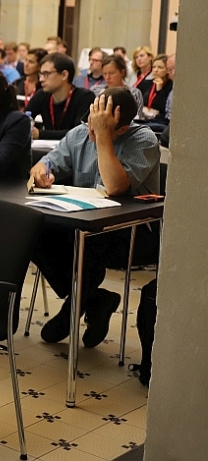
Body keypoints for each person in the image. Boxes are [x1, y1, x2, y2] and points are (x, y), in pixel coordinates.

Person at [30, 88, 160, 348]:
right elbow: (44, 163)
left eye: (100, 127)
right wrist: (41, 172)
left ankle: (72, 309)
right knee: (34, 232)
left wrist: (102, 137)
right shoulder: (80, 132)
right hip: (85, 220)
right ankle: (96, 300)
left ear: (122, 129)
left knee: (88, 245)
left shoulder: (144, 139)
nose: (90, 131)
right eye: (90, 122)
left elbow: (114, 186)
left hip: (133, 232)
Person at [25, 52, 96, 140]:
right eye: (41, 74)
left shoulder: (85, 97)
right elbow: (23, 120)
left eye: (46, 74)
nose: (41, 79)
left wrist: (40, 134)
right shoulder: (41, 95)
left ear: (64, 75)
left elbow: (80, 133)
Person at [139, 54, 173, 126]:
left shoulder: (170, 85)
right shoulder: (146, 83)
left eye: (160, 67)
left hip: (160, 121)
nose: (155, 70)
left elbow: (164, 108)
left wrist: (159, 90)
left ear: (167, 70)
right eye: (154, 67)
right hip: (144, 118)